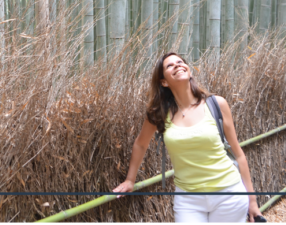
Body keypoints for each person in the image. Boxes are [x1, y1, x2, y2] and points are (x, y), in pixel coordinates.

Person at [111, 50, 262, 223]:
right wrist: (130, 180)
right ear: (164, 82)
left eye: (180, 62)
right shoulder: (159, 113)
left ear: (189, 71)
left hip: (229, 194)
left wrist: (252, 201)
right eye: (170, 65)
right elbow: (140, 144)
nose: (177, 65)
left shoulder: (216, 104)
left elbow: (239, 154)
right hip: (188, 199)